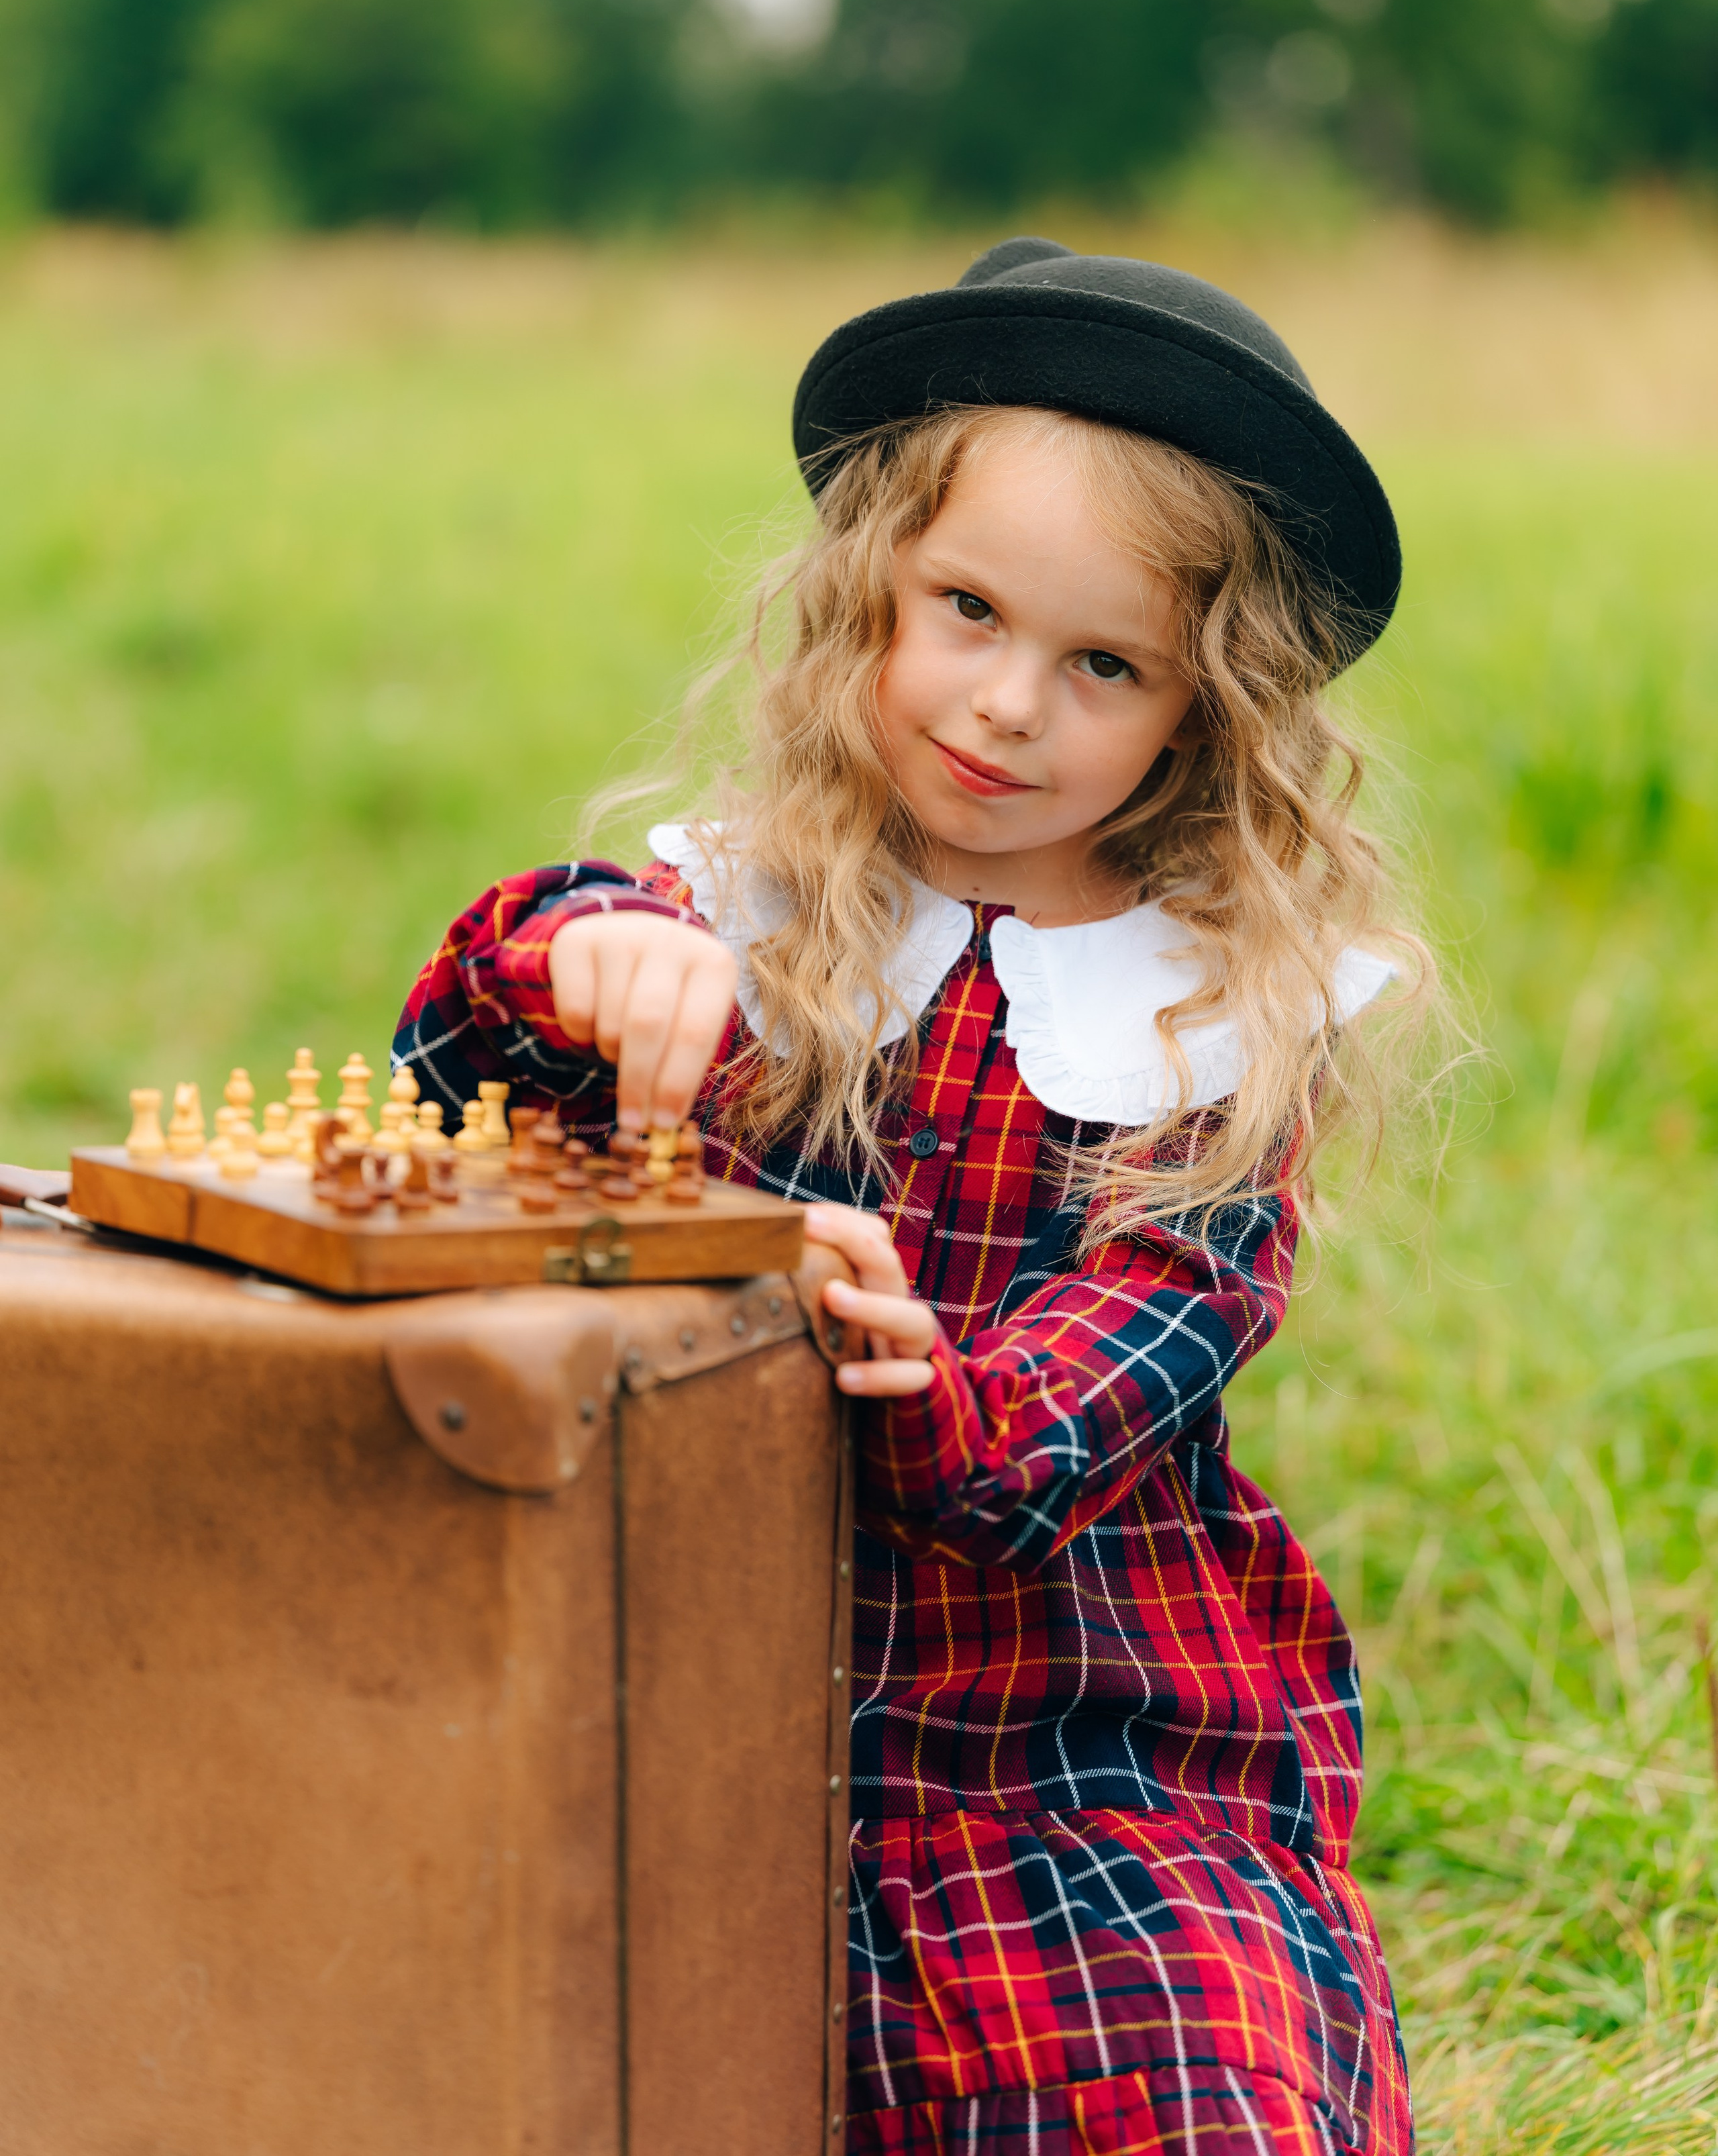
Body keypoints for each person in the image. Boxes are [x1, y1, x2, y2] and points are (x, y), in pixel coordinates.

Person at [393, 237, 1434, 2155]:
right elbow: (443, 1106)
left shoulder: (1210, 1032)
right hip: (673, 1697)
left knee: (1184, 2068)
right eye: (966, 609)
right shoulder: (731, 914)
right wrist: (571, 954)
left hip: (1064, 1744)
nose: (1009, 704)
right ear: (873, 587)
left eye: (1104, 663)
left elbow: (1122, 1366)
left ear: (1202, 715)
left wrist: (924, 1375)